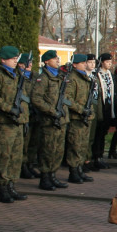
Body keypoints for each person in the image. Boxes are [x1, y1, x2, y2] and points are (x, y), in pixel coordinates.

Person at [0, 46, 30, 203]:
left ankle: (11, 185)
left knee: (15, 157)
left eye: (16, 59)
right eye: (12, 59)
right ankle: (2, 188)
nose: (15, 62)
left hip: (17, 121)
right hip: (3, 122)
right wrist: (8, 108)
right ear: (3, 59)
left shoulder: (17, 75)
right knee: (3, 156)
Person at [32, 50, 70, 191]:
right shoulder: (44, 78)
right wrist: (52, 111)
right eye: (54, 59)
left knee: (58, 151)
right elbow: (36, 98)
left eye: (57, 58)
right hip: (49, 121)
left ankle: (53, 175)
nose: (58, 60)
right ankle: (45, 178)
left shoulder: (60, 76)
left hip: (61, 120)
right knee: (47, 150)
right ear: (47, 61)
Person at [64, 53, 96, 184]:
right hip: (76, 118)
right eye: (82, 63)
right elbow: (67, 99)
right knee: (75, 146)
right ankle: (73, 171)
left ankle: (80, 169)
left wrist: (89, 113)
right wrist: (81, 110)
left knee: (83, 146)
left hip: (85, 118)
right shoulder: (71, 78)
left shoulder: (85, 78)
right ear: (75, 64)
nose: (85, 65)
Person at [91, 52, 115, 169]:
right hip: (100, 107)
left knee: (103, 133)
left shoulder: (110, 74)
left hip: (108, 107)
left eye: (110, 62)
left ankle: (100, 156)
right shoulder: (97, 74)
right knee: (97, 134)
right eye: (107, 62)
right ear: (101, 62)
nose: (109, 64)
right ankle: (95, 157)